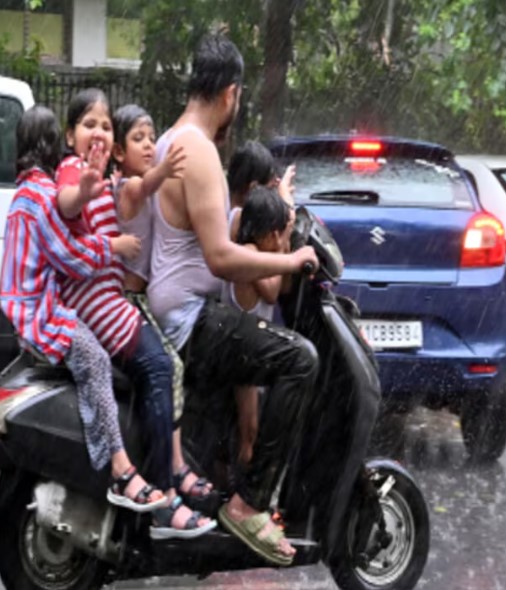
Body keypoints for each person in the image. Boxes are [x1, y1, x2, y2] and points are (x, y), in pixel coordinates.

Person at [146, 34, 319, 566]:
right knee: (299, 359)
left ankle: (217, 482)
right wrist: (290, 262)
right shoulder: (196, 151)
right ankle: (249, 504)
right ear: (231, 93)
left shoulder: (173, 139)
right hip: (188, 318)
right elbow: (221, 256)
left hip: (182, 311)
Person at [54, 90, 215, 539]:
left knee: (163, 366)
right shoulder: (75, 172)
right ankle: (164, 497)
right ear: (71, 136)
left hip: (108, 298)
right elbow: (67, 201)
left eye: (104, 126)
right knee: (159, 367)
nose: (99, 133)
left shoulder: (106, 181)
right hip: (96, 301)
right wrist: (86, 186)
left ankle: (168, 480)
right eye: (89, 125)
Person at [0, 105, 168, 515]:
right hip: (38, 312)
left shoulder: (28, 192)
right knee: (93, 358)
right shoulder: (40, 196)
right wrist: (111, 248)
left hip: (37, 305)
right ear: (53, 142)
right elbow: (68, 256)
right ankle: (121, 467)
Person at [109, 102, 218, 516]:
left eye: (152, 137)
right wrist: (166, 166)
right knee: (167, 368)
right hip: (129, 302)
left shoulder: (145, 189)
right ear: (118, 152)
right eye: (139, 139)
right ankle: (171, 470)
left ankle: (175, 464)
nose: (150, 145)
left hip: (145, 299)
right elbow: (143, 188)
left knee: (174, 370)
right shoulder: (129, 190)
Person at [223, 186, 295, 465]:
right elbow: (272, 291)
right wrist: (284, 248)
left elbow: (286, 284)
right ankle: (241, 486)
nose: (278, 239)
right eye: (276, 233)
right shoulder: (249, 252)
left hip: (254, 348)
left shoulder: (260, 250)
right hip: (243, 355)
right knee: (249, 432)